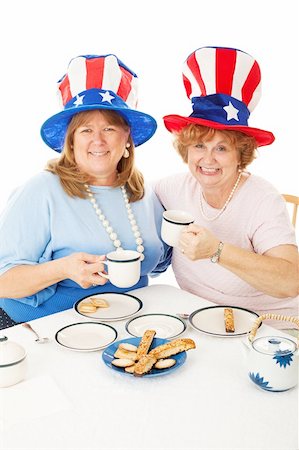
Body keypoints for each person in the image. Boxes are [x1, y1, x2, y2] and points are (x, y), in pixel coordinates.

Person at [0, 53, 171, 328]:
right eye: (86, 130)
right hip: (43, 329)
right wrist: (61, 269)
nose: (98, 140)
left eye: (109, 128)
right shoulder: (41, 190)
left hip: (123, 327)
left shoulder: (142, 192)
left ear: (127, 136)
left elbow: (162, 259)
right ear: (70, 139)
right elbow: (3, 283)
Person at [155, 46, 298, 327]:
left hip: (271, 326)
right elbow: (126, 196)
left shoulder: (261, 198)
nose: (207, 159)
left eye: (222, 147)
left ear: (240, 155)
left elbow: (291, 281)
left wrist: (217, 250)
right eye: (199, 145)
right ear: (186, 149)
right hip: (203, 323)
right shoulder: (170, 189)